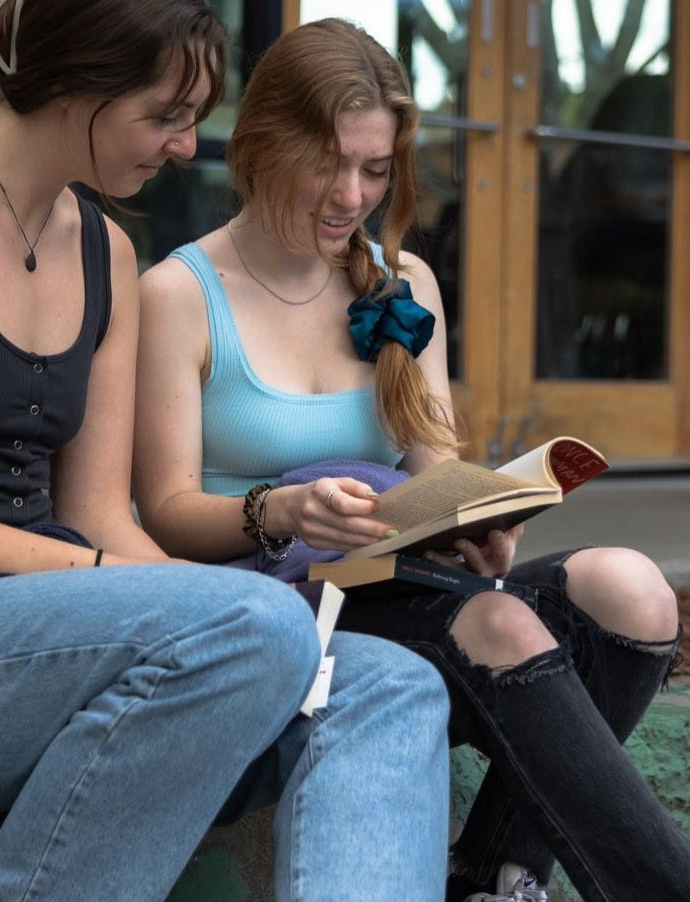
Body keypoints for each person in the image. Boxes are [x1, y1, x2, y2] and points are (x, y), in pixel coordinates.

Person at [0, 3, 453, 901]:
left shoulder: (107, 250)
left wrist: (150, 585)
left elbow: (102, 515)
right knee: (253, 624)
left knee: (392, 685)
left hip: (42, 631)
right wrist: (102, 575)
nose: (185, 146)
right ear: (76, 84)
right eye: (166, 114)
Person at [133, 16, 690, 902]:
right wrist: (278, 511)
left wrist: (478, 521)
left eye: (375, 169)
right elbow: (159, 511)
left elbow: (434, 465)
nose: (351, 194)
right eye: (327, 163)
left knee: (635, 591)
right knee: (501, 625)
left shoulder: (404, 282)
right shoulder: (177, 294)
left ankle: (495, 871)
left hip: (414, 587)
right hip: (276, 615)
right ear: (262, 144)